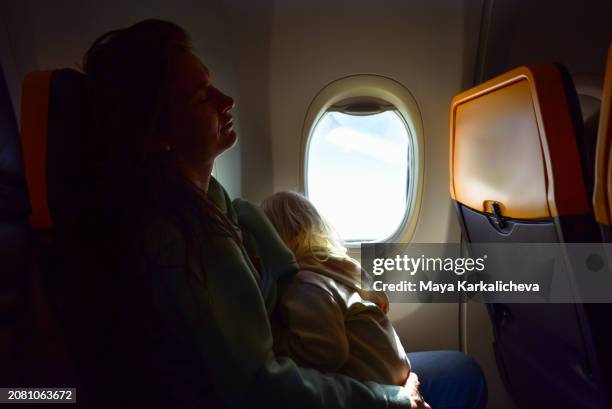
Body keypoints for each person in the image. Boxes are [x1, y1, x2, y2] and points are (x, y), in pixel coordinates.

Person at [70, 18, 486, 409]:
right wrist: (391, 399)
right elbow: (261, 387)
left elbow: (282, 285)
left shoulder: (214, 202)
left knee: (460, 368)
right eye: (201, 97)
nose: (226, 100)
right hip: (286, 389)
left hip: (309, 371)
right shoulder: (185, 243)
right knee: (463, 378)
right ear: (158, 132)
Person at [235, 191, 411, 386]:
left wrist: (276, 342)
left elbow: (328, 352)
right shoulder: (337, 268)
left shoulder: (304, 284)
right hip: (396, 373)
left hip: (377, 383)